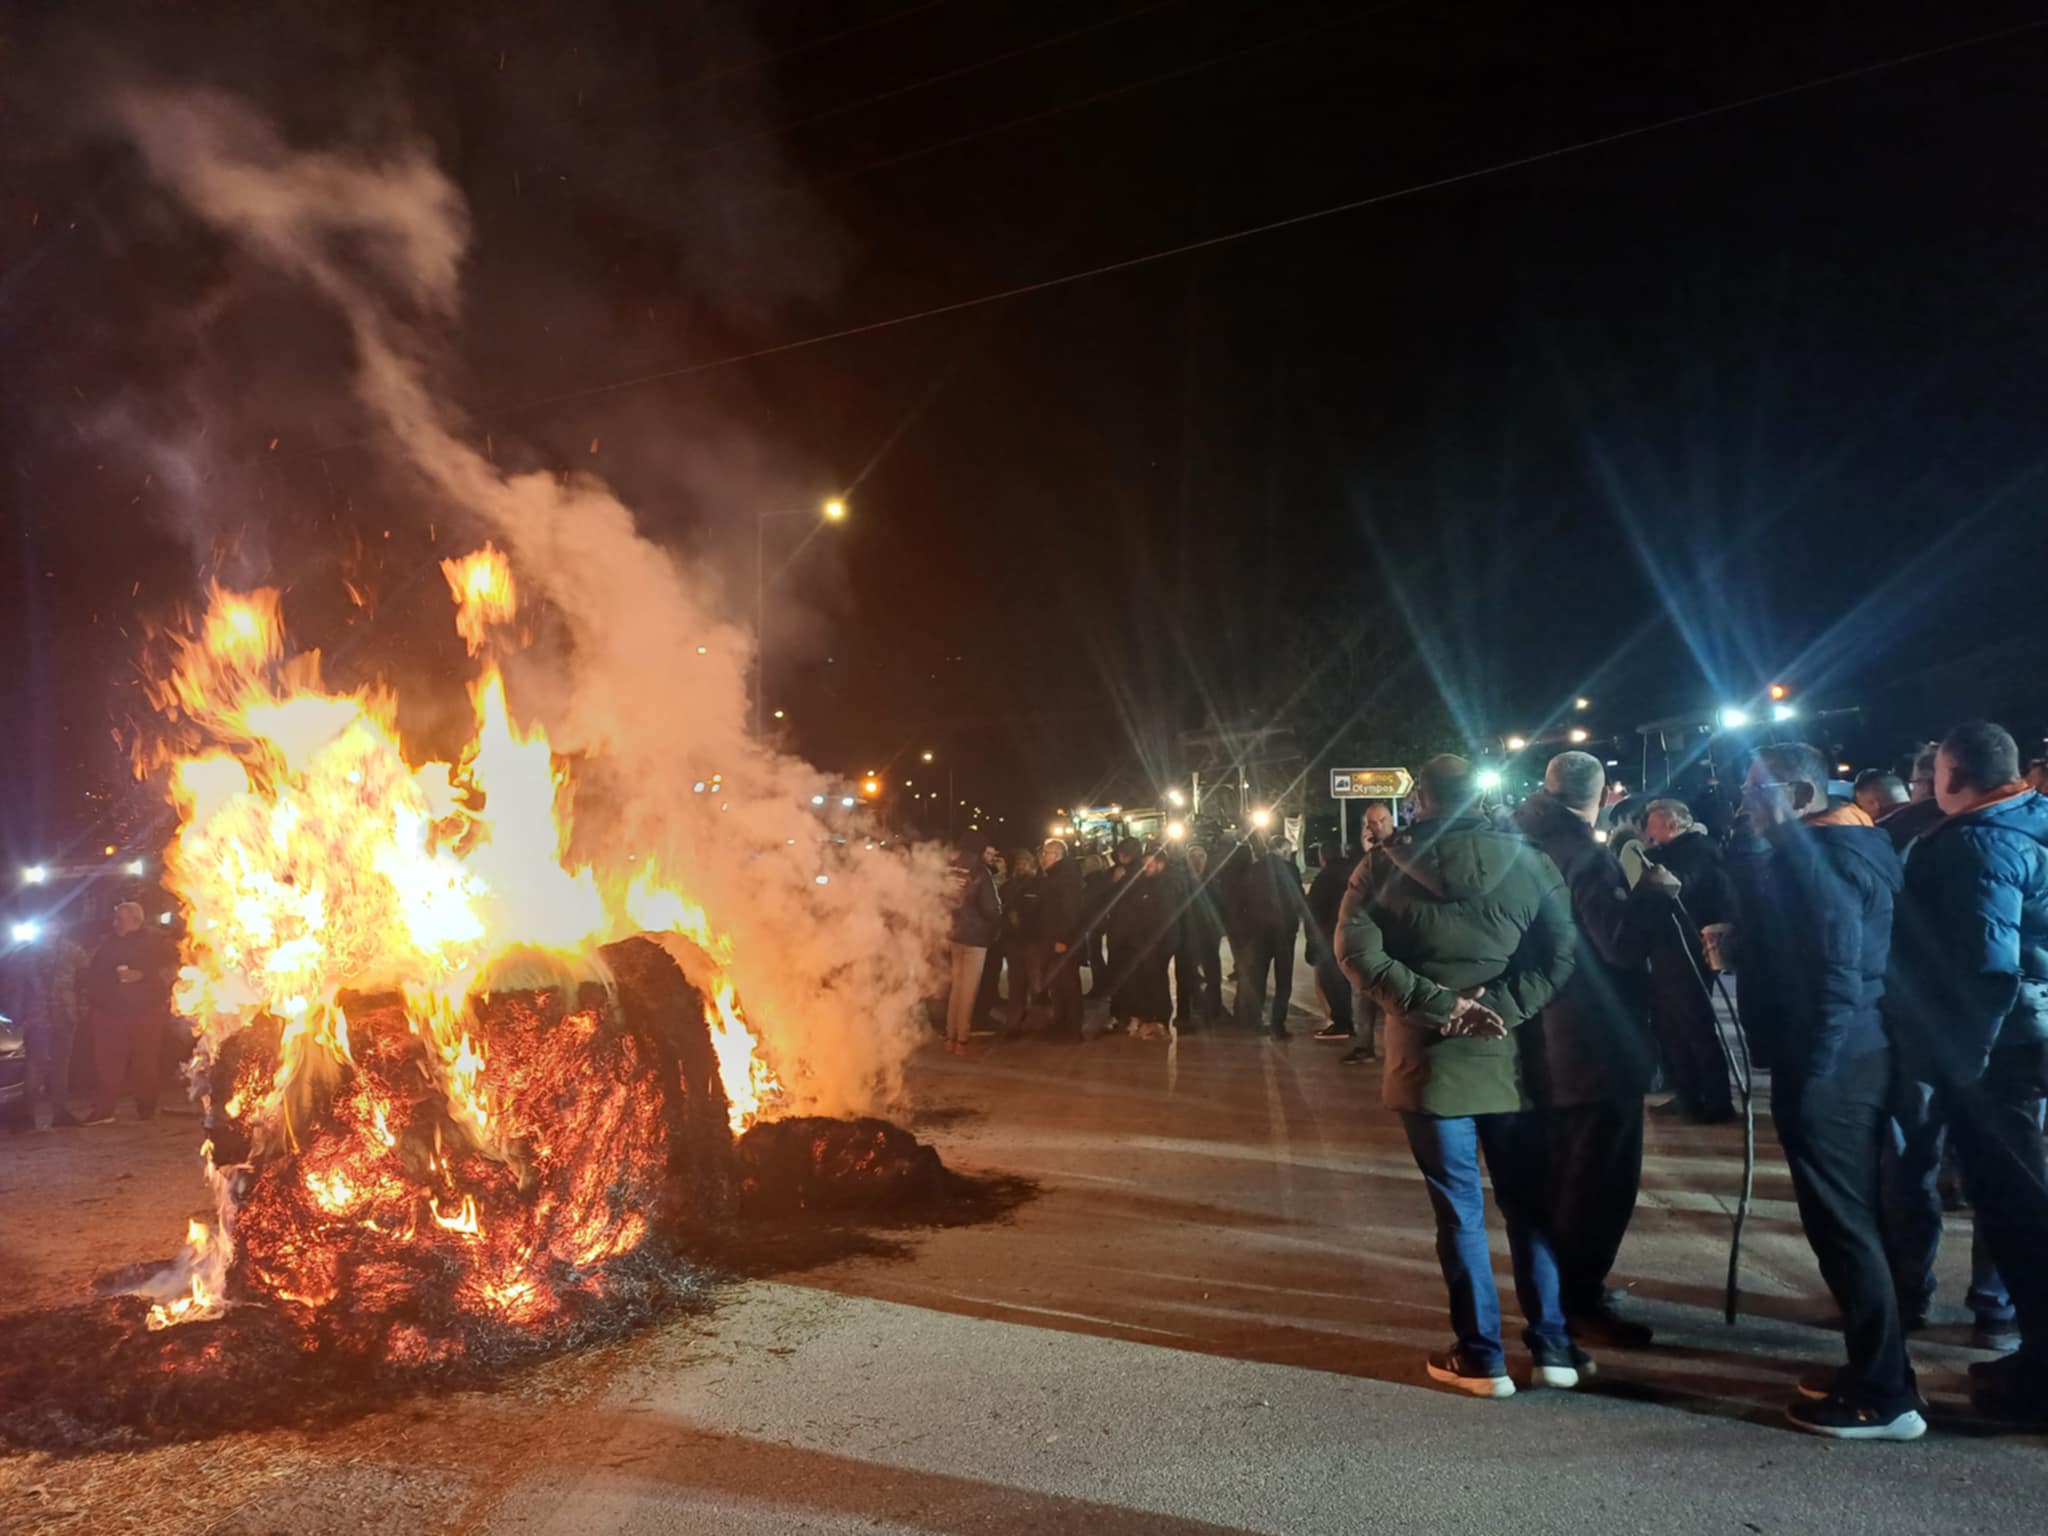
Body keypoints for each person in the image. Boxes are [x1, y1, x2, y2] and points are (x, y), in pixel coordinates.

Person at [1338, 754, 1582, 1397]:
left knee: (1461, 1216)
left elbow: (1355, 954)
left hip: (1428, 1063)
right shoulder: (1531, 863)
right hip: (1513, 1065)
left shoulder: (1382, 866)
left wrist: (1443, 1009)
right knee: (1528, 1208)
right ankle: (1555, 1347)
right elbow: (1561, 956)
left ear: (1420, 799)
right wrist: (1495, 1009)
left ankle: (1482, 1357)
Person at [1721, 742, 1923, 1438]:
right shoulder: (1832, 849)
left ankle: (1884, 1396)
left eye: (1756, 791)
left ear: (1802, 795)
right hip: (1847, 1058)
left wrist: (1815, 1070)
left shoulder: (1830, 861)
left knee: (1844, 1228)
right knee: (1851, 1222)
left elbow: (1840, 972)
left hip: (1834, 1065)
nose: (1745, 803)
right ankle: (1881, 1369)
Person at [1884, 721, 2048, 1424]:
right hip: (2023, 1037)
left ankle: (2040, 1373)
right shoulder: (2030, 818)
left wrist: (1963, 1065)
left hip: (1996, 1053)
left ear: (1953, 775)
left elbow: (1988, 967)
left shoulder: (1981, 843)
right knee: (2017, 1199)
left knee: (2017, 1205)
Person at [1515, 753, 1666, 1347]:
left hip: (1543, 1036)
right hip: (1595, 1042)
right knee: (1599, 1181)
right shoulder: (1585, 857)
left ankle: (1559, 1294)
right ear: (1602, 798)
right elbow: (1620, 945)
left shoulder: (1523, 846)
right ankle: (1579, 1300)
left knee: (1559, 1174)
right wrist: (1652, 896)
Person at [1641, 797, 1740, 1123]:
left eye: (1652, 823)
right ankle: (1688, 1095)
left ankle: (1715, 1101)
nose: (1647, 830)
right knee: (1672, 1026)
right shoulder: (1680, 850)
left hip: (1687, 949)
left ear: (1671, 823)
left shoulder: (1697, 850)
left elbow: (1678, 887)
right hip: (1670, 949)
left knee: (1693, 1025)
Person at [83, 901, 178, 1123]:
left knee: (145, 1061)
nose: (115, 922)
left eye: (120, 918)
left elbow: (170, 971)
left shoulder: (156, 941)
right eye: (115, 917)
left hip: (145, 1011)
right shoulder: (107, 943)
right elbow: (94, 972)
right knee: (107, 1063)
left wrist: (144, 976)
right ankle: (104, 1110)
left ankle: (146, 1107)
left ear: (136, 919)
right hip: (110, 1013)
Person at [1341, 802, 1397, 1065]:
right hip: (1371, 934)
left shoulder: (1402, 849)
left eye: (1380, 821)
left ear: (1390, 820)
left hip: (1396, 936)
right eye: (1370, 823)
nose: (1375, 827)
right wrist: (1366, 853)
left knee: (1395, 994)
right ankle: (1364, 1046)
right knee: (1362, 993)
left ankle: (1399, 1048)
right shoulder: (1365, 857)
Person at [1231, 834, 1302, 1039]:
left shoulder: (1253, 870)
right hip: (1284, 932)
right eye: (1288, 852)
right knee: (1283, 981)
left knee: (1258, 978)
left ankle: (1254, 1021)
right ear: (1283, 850)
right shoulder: (1290, 870)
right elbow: (1298, 900)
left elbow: (1242, 901)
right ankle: (1277, 1025)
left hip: (1258, 932)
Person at [942, 830, 1001, 1057]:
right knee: (968, 990)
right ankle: (962, 1040)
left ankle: (950, 1036)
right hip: (975, 938)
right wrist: (998, 918)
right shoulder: (980, 872)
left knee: (956, 988)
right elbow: (990, 908)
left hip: (954, 934)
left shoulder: (951, 869)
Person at [1111, 851, 1180, 1038]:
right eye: (1144, 865)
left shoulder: (1165, 886)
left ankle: (1159, 1021)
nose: (1145, 868)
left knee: (1157, 983)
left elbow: (1168, 918)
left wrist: (1165, 946)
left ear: (1160, 865)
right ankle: (1147, 1019)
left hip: (1156, 946)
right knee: (1144, 983)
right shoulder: (1143, 884)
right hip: (1140, 944)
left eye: (1149, 865)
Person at [1306, 838, 1359, 1041]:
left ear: (1323, 857)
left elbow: (1314, 913)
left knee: (1333, 980)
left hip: (1330, 937)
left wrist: (1313, 943)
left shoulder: (1323, 879)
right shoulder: (1354, 872)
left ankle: (1342, 1022)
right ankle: (1356, 1025)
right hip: (1355, 932)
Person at [1037, 838, 1088, 1041]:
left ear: (1057, 855)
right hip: (1053, 940)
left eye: (1046, 853)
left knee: (1068, 985)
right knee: (1057, 985)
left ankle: (1072, 1028)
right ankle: (1060, 1023)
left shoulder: (1066, 877)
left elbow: (1070, 912)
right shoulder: (1054, 876)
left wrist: (1063, 939)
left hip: (1063, 942)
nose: (1043, 857)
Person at [1000, 846, 1047, 1034]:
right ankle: (1014, 1022)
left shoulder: (1040, 886)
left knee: (1037, 985)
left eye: (1024, 863)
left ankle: (1038, 1022)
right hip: (1014, 943)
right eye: (1018, 863)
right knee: (1016, 985)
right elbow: (1000, 910)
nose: (1021, 866)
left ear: (1032, 865)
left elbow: (1044, 914)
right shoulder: (1008, 887)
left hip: (1034, 943)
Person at [1180, 844, 1227, 1027]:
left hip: (1208, 934)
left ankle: (1214, 1008)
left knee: (1212, 972)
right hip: (1187, 934)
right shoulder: (1182, 881)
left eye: (1201, 856)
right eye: (1194, 856)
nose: (1198, 860)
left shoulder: (1212, 879)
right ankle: (1187, 1011)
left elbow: (1221, 905)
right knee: (1186, 973)